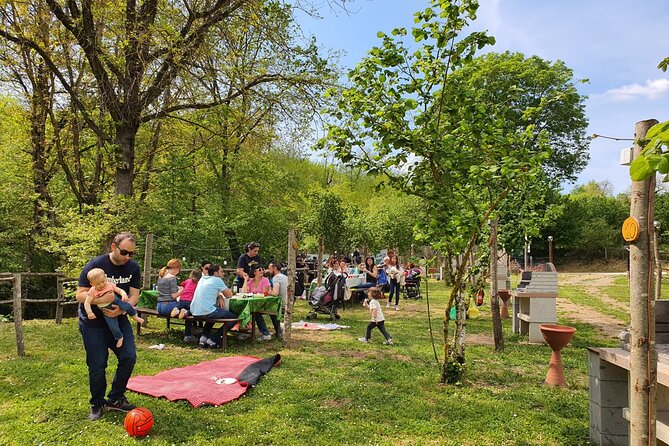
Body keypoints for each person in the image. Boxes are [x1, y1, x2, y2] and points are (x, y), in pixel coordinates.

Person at [76, 232, 141, 421]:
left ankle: (116, 397)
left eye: (131, 254)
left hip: (118, 321)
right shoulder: (95, 265)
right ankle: (97, 403)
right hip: (93, 323)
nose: (127, 257)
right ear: (114, 247)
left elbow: (134, 295)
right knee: (97, 364)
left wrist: (120, 311)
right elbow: (80, 294)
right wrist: (104, 300)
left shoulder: (133, 268)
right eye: (124, 252)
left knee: (129, 356)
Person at [84, 268, 145, 348]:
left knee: (127, 306)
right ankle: (119, 337)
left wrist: (124, 295)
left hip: (116, 301)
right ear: (92, 284)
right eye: (98, 284)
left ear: (105, 278)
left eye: (103, 281)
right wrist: (89, 312)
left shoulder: (109, 285)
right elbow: (87, 302)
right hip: (106, 309)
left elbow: (119, 290)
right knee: (113, 326)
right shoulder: (92, 291)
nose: (102, 285)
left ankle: (135, 317)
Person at [190, 264, 237, 348]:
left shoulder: (202, 278)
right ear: (215, 273)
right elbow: (229, 295)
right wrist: (222, 294)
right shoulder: (217, 280)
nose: (223, 273)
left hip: (194, 311)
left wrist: (219, 296)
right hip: (206, 311)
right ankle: (214, 339)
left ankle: (203, 339)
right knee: (233, 318)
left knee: (213, 312)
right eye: (221, 271)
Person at [242, 265, 273, 341]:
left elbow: (266, 293)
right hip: (253, 304)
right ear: (254, 272)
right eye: (259, 269)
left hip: (264, 303)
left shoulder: (265, 280)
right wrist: (245, 280)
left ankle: (266, 333)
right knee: (242, 308)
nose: (262, 271)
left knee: (255, 312)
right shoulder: (251, 281)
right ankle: (245, 330)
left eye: (262, 269)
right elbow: (244, 292)